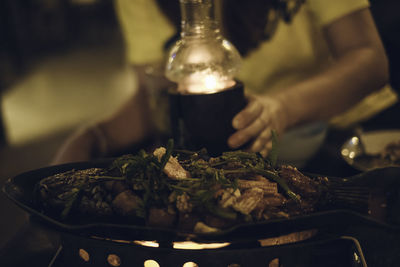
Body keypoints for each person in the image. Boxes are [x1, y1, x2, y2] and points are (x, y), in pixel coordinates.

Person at [52, 0, 397, 167]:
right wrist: (94, 136)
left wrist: (280, 109)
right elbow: (155, 96)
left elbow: (369, 59)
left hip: (352, 135)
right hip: (238, 152)